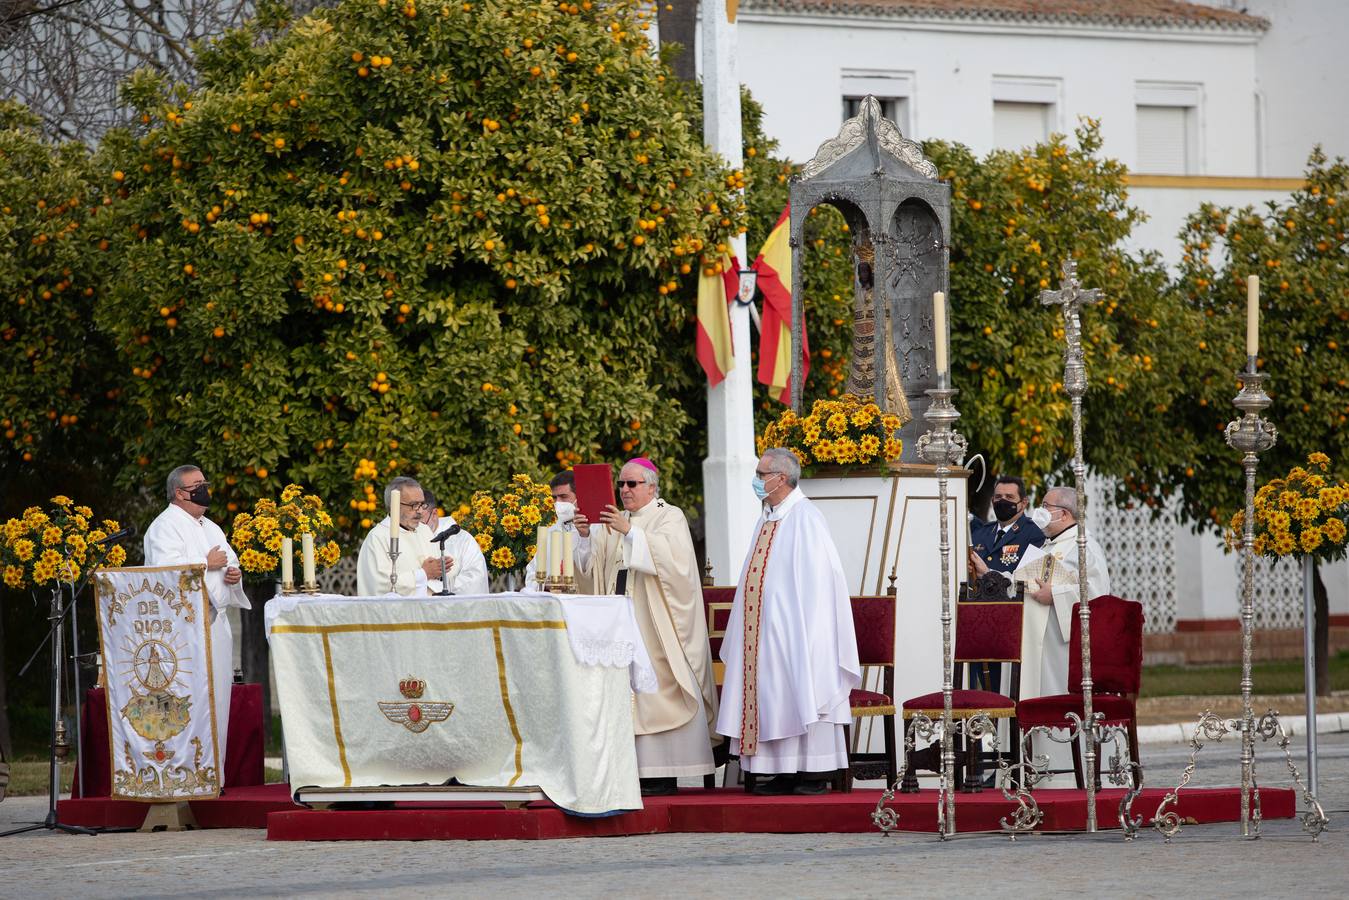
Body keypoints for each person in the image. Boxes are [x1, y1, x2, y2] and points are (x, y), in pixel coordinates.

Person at [715, 448, 861, 795]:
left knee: (795, 691)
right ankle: (782, 771)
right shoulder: (768, 517)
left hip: (797, 633)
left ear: (781, 478)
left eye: (761, 473)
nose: (756, 479)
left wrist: (804, 635)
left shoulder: (806, 517)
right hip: (764, 633)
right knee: (775, 697)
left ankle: (810, 773)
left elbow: (818, 584)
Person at [574, 458, 718, 796]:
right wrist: (584, 538)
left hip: (654, 622)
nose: (624, 490)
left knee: (657, 689)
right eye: (621, 484)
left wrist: (632, 534)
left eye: (632, 484)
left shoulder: (670, 515)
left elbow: (678, 564)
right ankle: (630, 770)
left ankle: (663, 771)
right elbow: (595, 570)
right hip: (619, 621)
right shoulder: (615, 520)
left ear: (651, 487)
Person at [142, 465, 251, 784]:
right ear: (179, 492)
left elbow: (230, 561)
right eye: (198, 485)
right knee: (190, 701)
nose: (205, 489)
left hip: (215, 623)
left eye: (205, 483)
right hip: (182, 629)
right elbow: (164, 575)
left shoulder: (212, 527)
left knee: (217, 700)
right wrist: (207, 564)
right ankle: (184, 775)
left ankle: (213, 775)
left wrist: (233, 575)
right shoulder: (164, 527)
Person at [967, 475, 1046, 693]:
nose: (1003, 501)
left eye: (1009, 497)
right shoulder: (981, 532)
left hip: (1010, 623)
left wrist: (987, 572)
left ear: (1024, 503)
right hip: (978, 621)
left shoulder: (1034, 535)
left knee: (1004, 689)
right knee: (975, 687)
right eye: (998, 497)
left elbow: (1026, 579)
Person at [356, 476, 445, 596]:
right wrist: (423, 574)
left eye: (422, 504)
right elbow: (379, 585)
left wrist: (441, 569)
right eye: (414, 505)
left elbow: (436, 578)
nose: (419, 511)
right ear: (395, 505)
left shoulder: (425, 531)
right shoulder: (377, 538)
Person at [420, 487, 489, 595]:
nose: (418, 528)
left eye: (421, 523)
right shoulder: (409, 538)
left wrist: (435, 587)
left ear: (434, 514)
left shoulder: (463, 540)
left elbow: (474, 580)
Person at [523, 471, 578, 587]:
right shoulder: (549, 534)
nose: (558, 503)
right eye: (554, 498)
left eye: (563, 497)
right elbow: (532, 576)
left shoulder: (595, 530)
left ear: (579, 496)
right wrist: (546, 585)